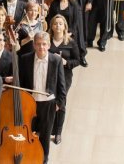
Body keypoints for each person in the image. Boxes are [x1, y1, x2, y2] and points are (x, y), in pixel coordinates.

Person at [19, 32, 66, 164]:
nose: (41, 47)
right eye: (38, 44)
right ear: (34, 45)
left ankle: (43, 158)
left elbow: (62, 85)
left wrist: (59, 104)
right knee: (27, 130)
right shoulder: (25, 59)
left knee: (45, 134)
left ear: (49, 45)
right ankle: (28, 154)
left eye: (44, 44)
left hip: (48, 103)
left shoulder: (56, 60)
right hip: (30, 102)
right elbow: (22, 82)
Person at [48, 14, 80, 145]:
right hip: (49, 75)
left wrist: (66, 63)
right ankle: (48, 128)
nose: (58, 26)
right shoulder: (47, 40)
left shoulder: (70, 42)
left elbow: (78, 60)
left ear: (65, 26)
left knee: (61, 102)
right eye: (55, 24)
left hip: (64, 76)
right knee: (49, 101)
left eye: (60, 24)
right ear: (52, 26)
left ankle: (58, 132)